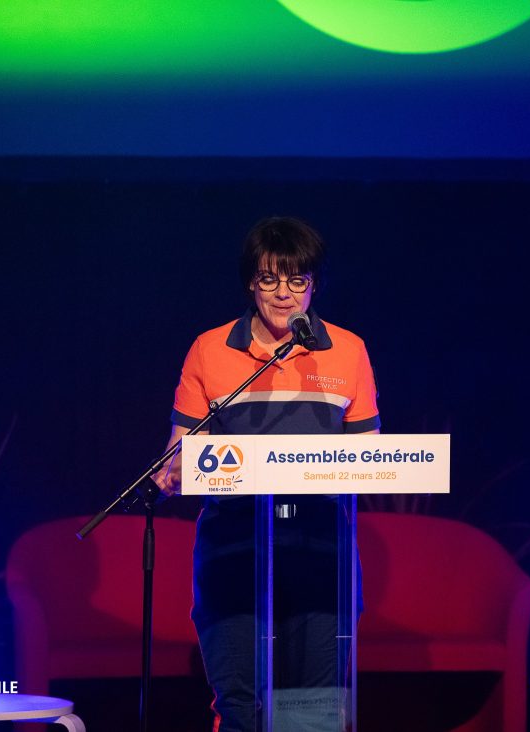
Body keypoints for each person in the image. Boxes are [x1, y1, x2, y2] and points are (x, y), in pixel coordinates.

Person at [153, 216, 380, 732]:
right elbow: (181, 453)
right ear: (250, 282)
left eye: (297, 280)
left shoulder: (348, 350)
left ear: (314, 283)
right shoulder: (211, 349)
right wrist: (174, 471)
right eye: (269, 279)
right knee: (240, 709)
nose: (284, 294)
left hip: (322, 555)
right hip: (233, 551)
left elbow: (369, 458)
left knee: (312, 714)